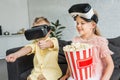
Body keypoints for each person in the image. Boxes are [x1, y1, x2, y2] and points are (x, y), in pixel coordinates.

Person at [60, 3, 114, 80]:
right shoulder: (76, 40)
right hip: (77, 76)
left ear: (93, 25)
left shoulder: (99, 41)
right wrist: (67, 75)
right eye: (77, 23)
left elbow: (110, 65)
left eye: (82, 23)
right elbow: (72, 62)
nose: (78, 26)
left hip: (94, 76)